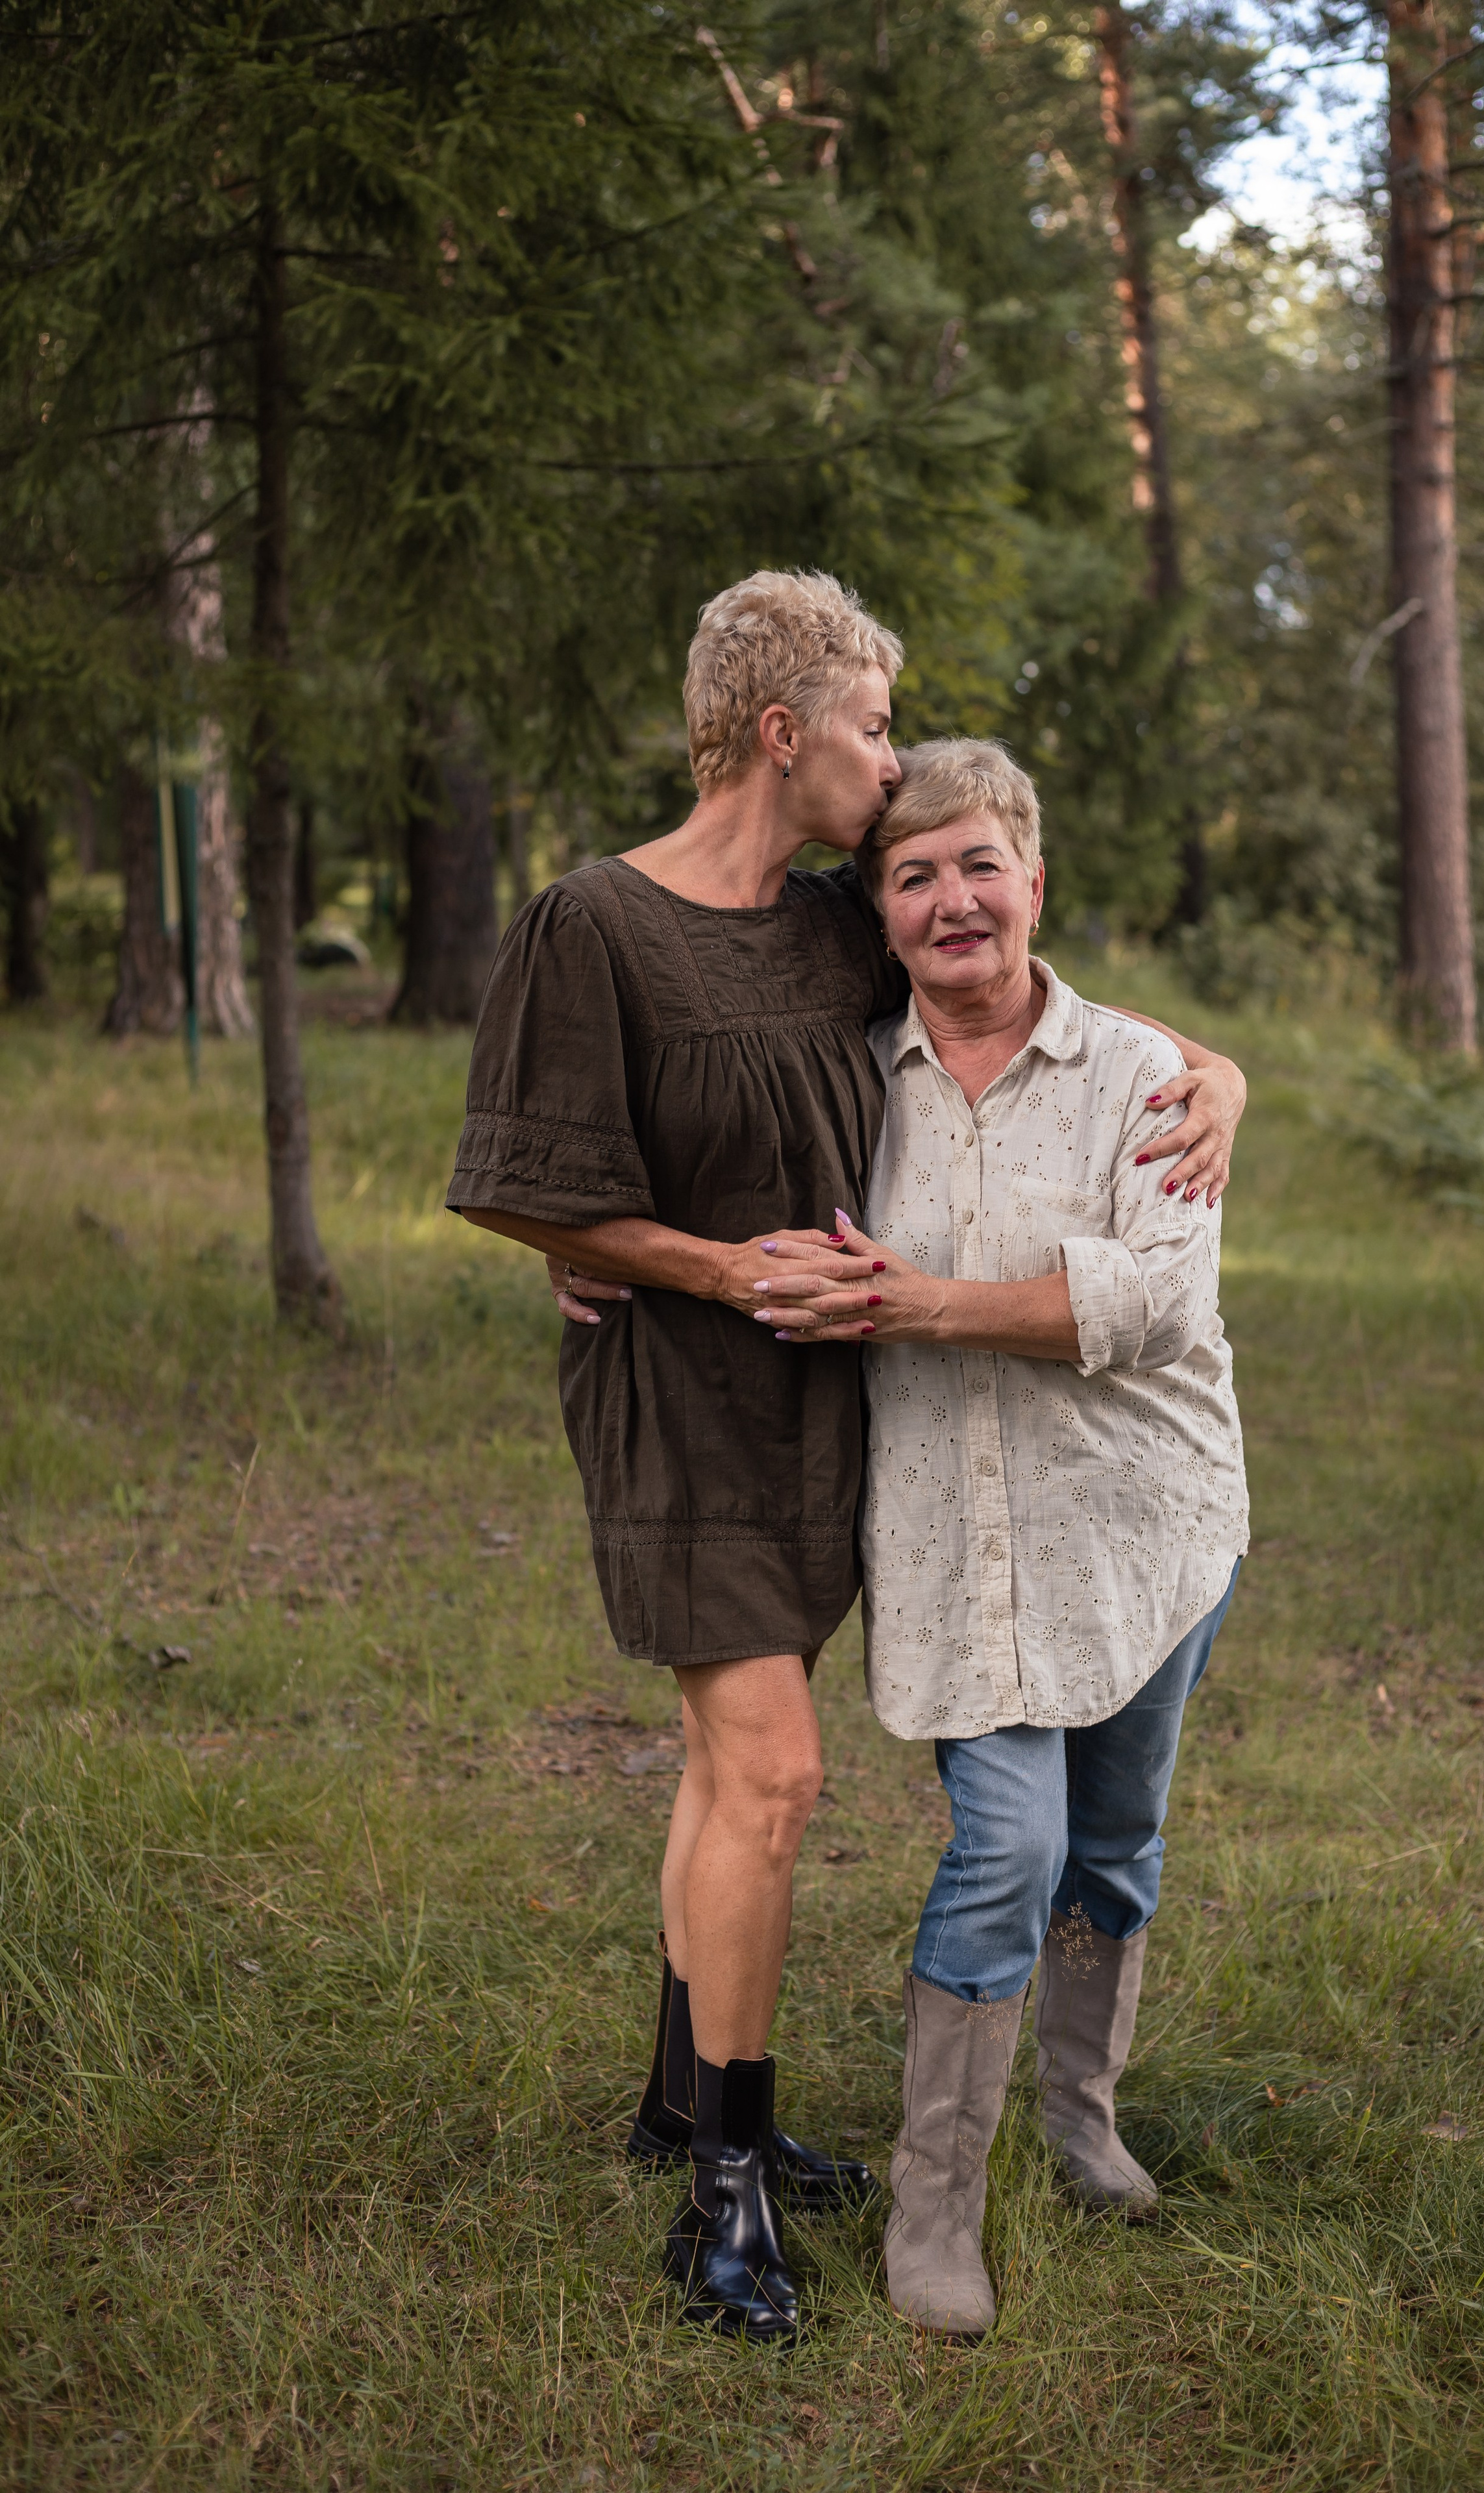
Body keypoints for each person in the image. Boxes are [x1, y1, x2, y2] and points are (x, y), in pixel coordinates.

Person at [451, 572, 1245, 2342]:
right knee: (778, 1778)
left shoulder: (829, 926)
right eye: (877, 725)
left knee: (727, 1780)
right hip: (685, 1401)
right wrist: (697, 1262)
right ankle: (727, 2189)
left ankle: (681, 2100)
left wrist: (1223, 1072)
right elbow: (519, 1179)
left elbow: (1017, 976)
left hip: (833, 1407)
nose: (896, 769)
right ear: (783, 728)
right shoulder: (591, 921)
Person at [751, 738, 1250, 2342]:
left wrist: (916, 1306)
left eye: (979, 864)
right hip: (953, 1532)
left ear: (1034, 880)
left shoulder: (1146, 1076)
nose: (953, 898)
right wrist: (583, 1244)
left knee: (1111, 1842)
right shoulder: (841, 1074)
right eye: (913, 874)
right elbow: (687, 1152)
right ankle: (932, 2209)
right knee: (1006, 1850)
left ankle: (1080, 2116)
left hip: (1144, 1528)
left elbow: (1152, 1300)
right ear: (879, 915)